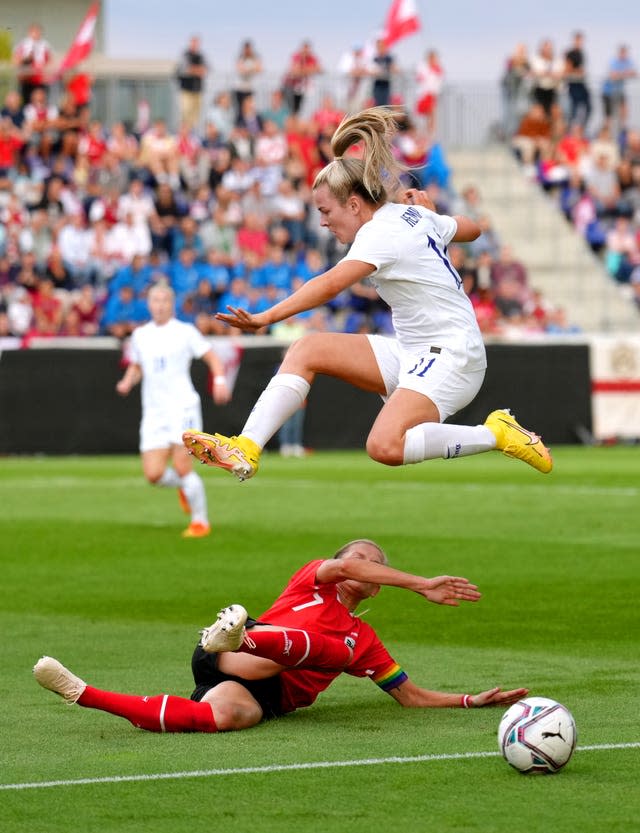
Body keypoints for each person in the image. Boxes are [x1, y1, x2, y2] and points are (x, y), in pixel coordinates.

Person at [182, 107, 553, 481]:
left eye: (326, 211)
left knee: (385, 446)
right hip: (416, 349)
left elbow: (329, 284)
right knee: (307, 350)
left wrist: (266, 317)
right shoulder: (410, 216)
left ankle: (496, 432)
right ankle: (246, 447)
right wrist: (434, 215)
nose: (323, 222)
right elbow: (471, 229)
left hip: (453, 356)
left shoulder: (381, 233)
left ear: (355, 204)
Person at [34, 538, 529, 733]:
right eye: (360, 559)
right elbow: (342, 565)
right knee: (325, 652)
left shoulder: (366, 638)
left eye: (377, 565)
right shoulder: (310, 578)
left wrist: (469, 701)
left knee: (228, 717)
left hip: (257, 690)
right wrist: (421, 583)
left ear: (378, 587)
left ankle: (83, 693)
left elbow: (411, 697)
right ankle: (238, 636)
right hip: (239, 651)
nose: (368, 567)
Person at [115, 283, 231, 538]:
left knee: (182, 466)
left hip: (182, 407)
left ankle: (200, 521)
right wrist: (127, 381)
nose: (159, 305)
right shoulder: (140, 335)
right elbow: (137, 366)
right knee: (153, 474)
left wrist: (220, 379)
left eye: (164, 300)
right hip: (154, 411)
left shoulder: (185, 332)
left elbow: (211, 356)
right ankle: (184, 488)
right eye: (155, 300)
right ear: (148, 304)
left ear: (172, 304)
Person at [11, 23, 53, 106]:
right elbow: (16, 61)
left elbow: (50, 61)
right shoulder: (23, 44)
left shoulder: (45, 45)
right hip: (27, 80)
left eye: (38, 32)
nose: (36, 34)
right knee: (27, 103)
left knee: (41, 103)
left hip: (40, 80)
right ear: (29, 32)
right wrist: (27, 59)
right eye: (34, 32)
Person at [601, 44, 637, 132]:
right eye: (622, 52)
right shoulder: (614, 61)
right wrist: (624, 74)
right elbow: (613, 75)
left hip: (619, 91)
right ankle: (606, 133)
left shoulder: (628, 61)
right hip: (608, 91)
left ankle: (622, 129)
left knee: (624, 110)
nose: (623, 54)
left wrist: (621, 74)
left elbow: (634, 73)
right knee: (608, 116)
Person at [175, 36, 209, 131]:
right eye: (193, 43)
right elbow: (185, 69)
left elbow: (206, 69)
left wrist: (194, 70)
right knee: (186, 114)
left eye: (197, 43)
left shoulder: (201, 56)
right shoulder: (185, 55)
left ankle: (191, 135)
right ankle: (183, 134)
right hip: (186, 91)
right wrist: (197, 70)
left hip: (197, 90)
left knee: (195, 117)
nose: (195, 45)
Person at [563, 31, 592, 128]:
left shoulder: (581, 53)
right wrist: (577, 71)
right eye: (578, 40)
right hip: (573, 84)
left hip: (581, 84)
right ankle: (570, 129)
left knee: (588, 107)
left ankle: (581, 128)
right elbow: (567, 69)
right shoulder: (570, 53)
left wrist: (581, 72)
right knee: (573, 109)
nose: (580, 42)